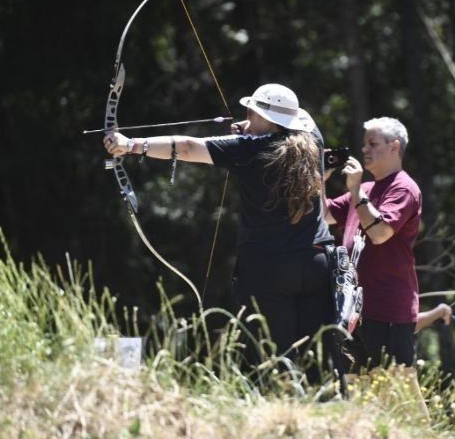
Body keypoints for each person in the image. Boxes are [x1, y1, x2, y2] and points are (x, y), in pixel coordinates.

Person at [104, 84, 334, 367]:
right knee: (319, 360)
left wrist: (130, 145)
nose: (246, 115)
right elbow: (300, 120)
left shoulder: (250, 149)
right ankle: (325, 403)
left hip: (269, 269)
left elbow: (188, 147)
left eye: (250, 111)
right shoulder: (313, 143)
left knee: (271, 360)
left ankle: (279, 407)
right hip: (317, 263)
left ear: (259, 114)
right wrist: (256, 125)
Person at [324, 117, 422, 370]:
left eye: (373, 143)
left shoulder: (403, 188)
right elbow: (323, 215)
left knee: (396, 389)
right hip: (355, 310)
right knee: (360, 388)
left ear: (394, 147)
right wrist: (320, 180)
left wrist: (356, 192)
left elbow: (380, 233)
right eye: (364, 144)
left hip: (388, 308)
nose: (365, 149)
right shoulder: (367, 187)